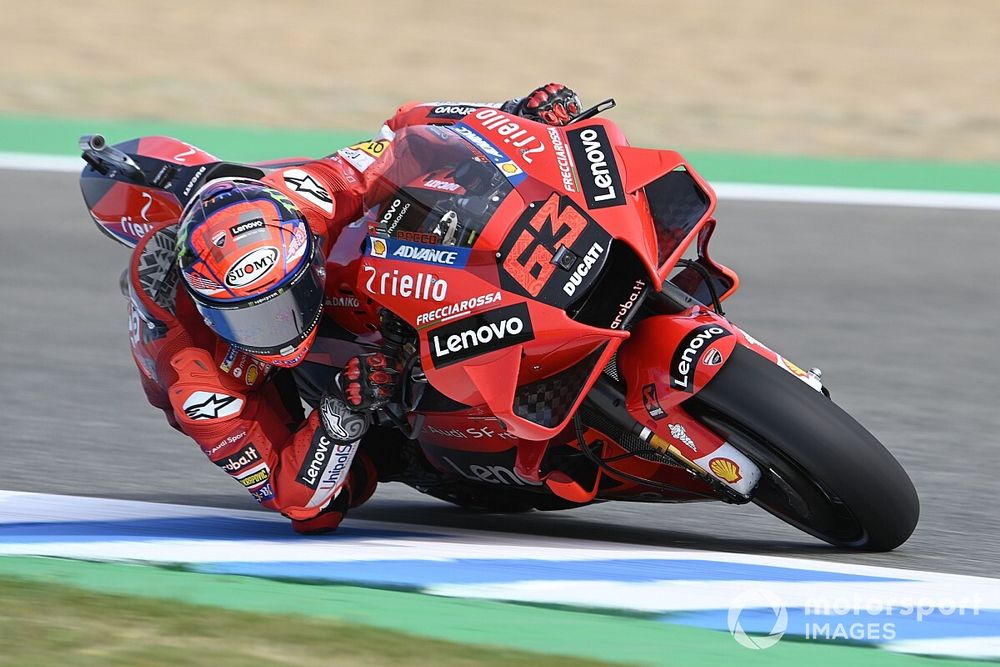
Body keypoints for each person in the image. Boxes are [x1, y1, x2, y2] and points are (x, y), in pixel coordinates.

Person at [127, 84, 583, 533]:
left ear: (307, 264)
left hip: (303, 236)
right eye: (251, 318)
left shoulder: (309, 199)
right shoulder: (200, 388)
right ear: (211, 313)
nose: (277, 328)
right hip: (242, 376)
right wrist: (340, 411)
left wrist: (512, 115)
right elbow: (298, 504)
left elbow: (403, 131)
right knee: (347, 487)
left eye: (286, 301)